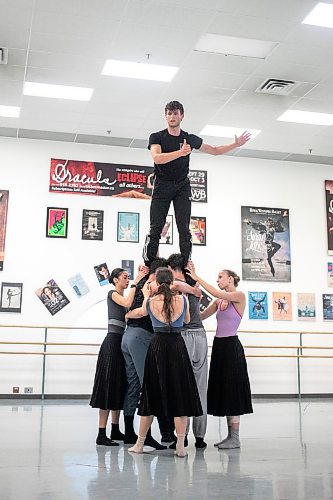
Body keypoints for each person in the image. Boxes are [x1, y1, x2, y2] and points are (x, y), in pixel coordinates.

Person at [142, 100, 251, 266]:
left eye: (176, 113)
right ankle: (149, 265)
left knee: (184, 229)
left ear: (182, 116)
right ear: (165, 116)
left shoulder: (189, 139)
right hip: (162, 185)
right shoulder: (156, 137)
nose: (172, 116)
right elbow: (157, 158)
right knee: (155, 228)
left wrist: (235, 144)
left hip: (182, 186)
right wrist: (180, 152)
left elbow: (214, 150)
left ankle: (185, 266)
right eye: (169, 113)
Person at [128, 268, 203, 457]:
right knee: (180, 394)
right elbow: (186, 320)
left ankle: (139, 444)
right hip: (177, 346)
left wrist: (131, 310)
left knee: (151, 394)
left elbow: (140, 313)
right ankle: (180, 446)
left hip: (158, 347)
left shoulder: (151, 301)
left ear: (156, 283)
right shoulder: (183, 299)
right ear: (172, 283)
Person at [186, 262, 253, 449]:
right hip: (219, 346)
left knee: (233, 389)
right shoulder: (219, 303)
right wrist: (193, 298)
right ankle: (230, 436)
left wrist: (197, 277)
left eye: (220, 277)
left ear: (230, 279)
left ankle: (235, 437)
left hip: (231, 346)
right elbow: (200, 317)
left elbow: (216, 292)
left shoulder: (239, 296)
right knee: (223, 389)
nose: (218, 280)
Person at [90, 266, 147, 446]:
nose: (127, 279)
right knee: (108, 386)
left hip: (122, 342)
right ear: (115, 279)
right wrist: (137, 282)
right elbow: (128, 303)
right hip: (112, 343)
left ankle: (115, 428)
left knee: (119, 385)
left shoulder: (122, 297)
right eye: (124, 277)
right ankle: (101, 433)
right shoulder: (112, 294)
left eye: (128, 277)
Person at [121, 257, 171, 450]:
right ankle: (146, 436)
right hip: (141, 337)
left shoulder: (139, 282)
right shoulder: (152, 285)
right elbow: (144, 311)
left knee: (134, 384)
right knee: (148, 386)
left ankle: (128, 433)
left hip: (128, 336)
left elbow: (128, 307)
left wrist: (127, 315)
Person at [167, 253, 208, 449]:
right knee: (199, 386)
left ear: (171, 268)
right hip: (199, 334)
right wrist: (194, 287)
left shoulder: (172, 284)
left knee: (182, 387)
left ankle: (182, 436)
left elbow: (176, 285)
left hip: (184, 335)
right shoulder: (192, 283)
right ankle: (198, 437)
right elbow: (192, 291)